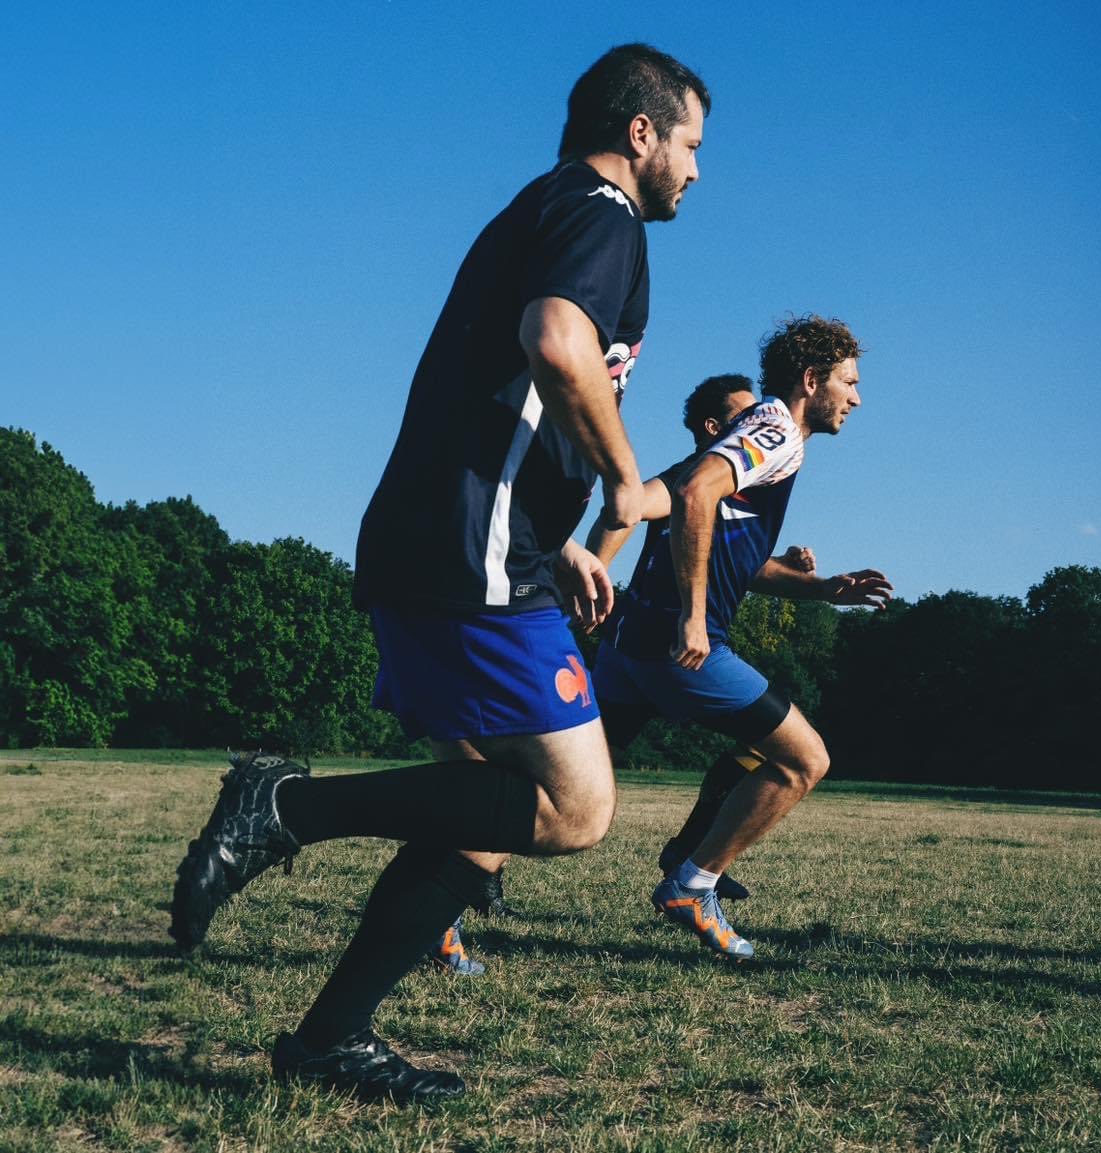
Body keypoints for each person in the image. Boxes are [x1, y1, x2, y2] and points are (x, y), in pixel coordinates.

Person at [168, 43, 710, 1105]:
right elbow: (556, 343)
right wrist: (626, 483)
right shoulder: (603, 214)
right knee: (574, 808)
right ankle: (286, 807)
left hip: (455, 537)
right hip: (471, 550)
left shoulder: (541, 207)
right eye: (691, 144)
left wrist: (556, 536)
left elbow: (497, 396)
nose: (697, 170)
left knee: (484, 824)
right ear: (640, 132)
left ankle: (328, 1040)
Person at [590, 319, 892, 960]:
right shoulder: (777, 429)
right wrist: (694, 616)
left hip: (626, 646)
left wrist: (823, 588)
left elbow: (663, 513)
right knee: (804, 760)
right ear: (813, 381)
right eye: (850, 381)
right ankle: (692, 882)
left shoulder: (744, 440)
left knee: (570, 784)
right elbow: (697, 496)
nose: (857, 398)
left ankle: (448, 887)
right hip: (681, 650)